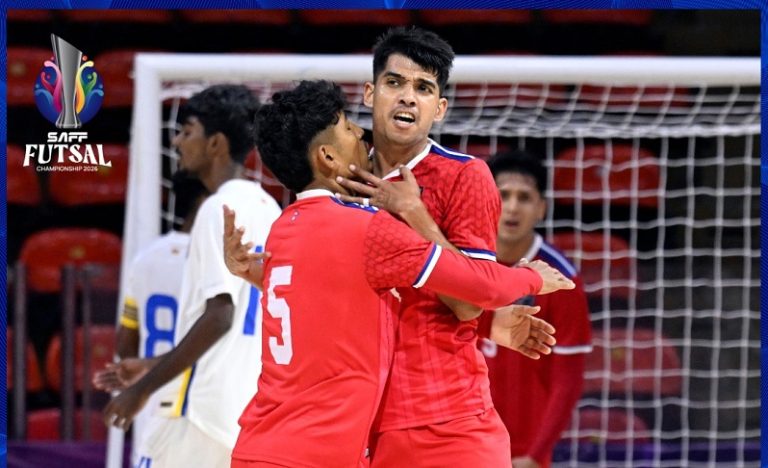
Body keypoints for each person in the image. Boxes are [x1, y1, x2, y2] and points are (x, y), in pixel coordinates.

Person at [226, 80, 574, 468]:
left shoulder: (284, 228)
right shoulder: (364, 228)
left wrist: (488, 324)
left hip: (258, 445)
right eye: (347, 128)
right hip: (316, 453)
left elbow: (329, 304)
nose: (361, 134)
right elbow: (479, 285)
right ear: (327, 156)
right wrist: (532, 277)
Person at [335, 26, 518, 467]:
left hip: (445, 421)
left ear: (439, 109)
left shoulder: (465, 175)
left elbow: (469, 305)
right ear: (369, 93)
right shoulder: (340, 178)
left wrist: (415, 214)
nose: (408, 98)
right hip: (357, 419)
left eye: (423, 88)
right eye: (394, 82)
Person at [101, 84, 282, 468]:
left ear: (216, 143)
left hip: (197, 411)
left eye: (187, 131)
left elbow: (221, 315)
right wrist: (149, 365)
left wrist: (142, 390)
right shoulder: (269, 208)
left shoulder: (218, 208)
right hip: (247, 407)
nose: (177, 141)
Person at [481, 150, 593, 468]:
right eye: (503, 195)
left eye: (525, 197)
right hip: (461, 438)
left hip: (522, 450)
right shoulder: (461, 263)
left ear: (542, 208)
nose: (512, 207)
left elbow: (567, 380)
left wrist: (535, 453)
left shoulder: (562, 279)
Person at [98, 171, 207, 468]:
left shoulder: (145, 258)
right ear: (204, 201)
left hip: (149, 405)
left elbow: (126, 344)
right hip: (199, 409)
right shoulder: (214, 260)